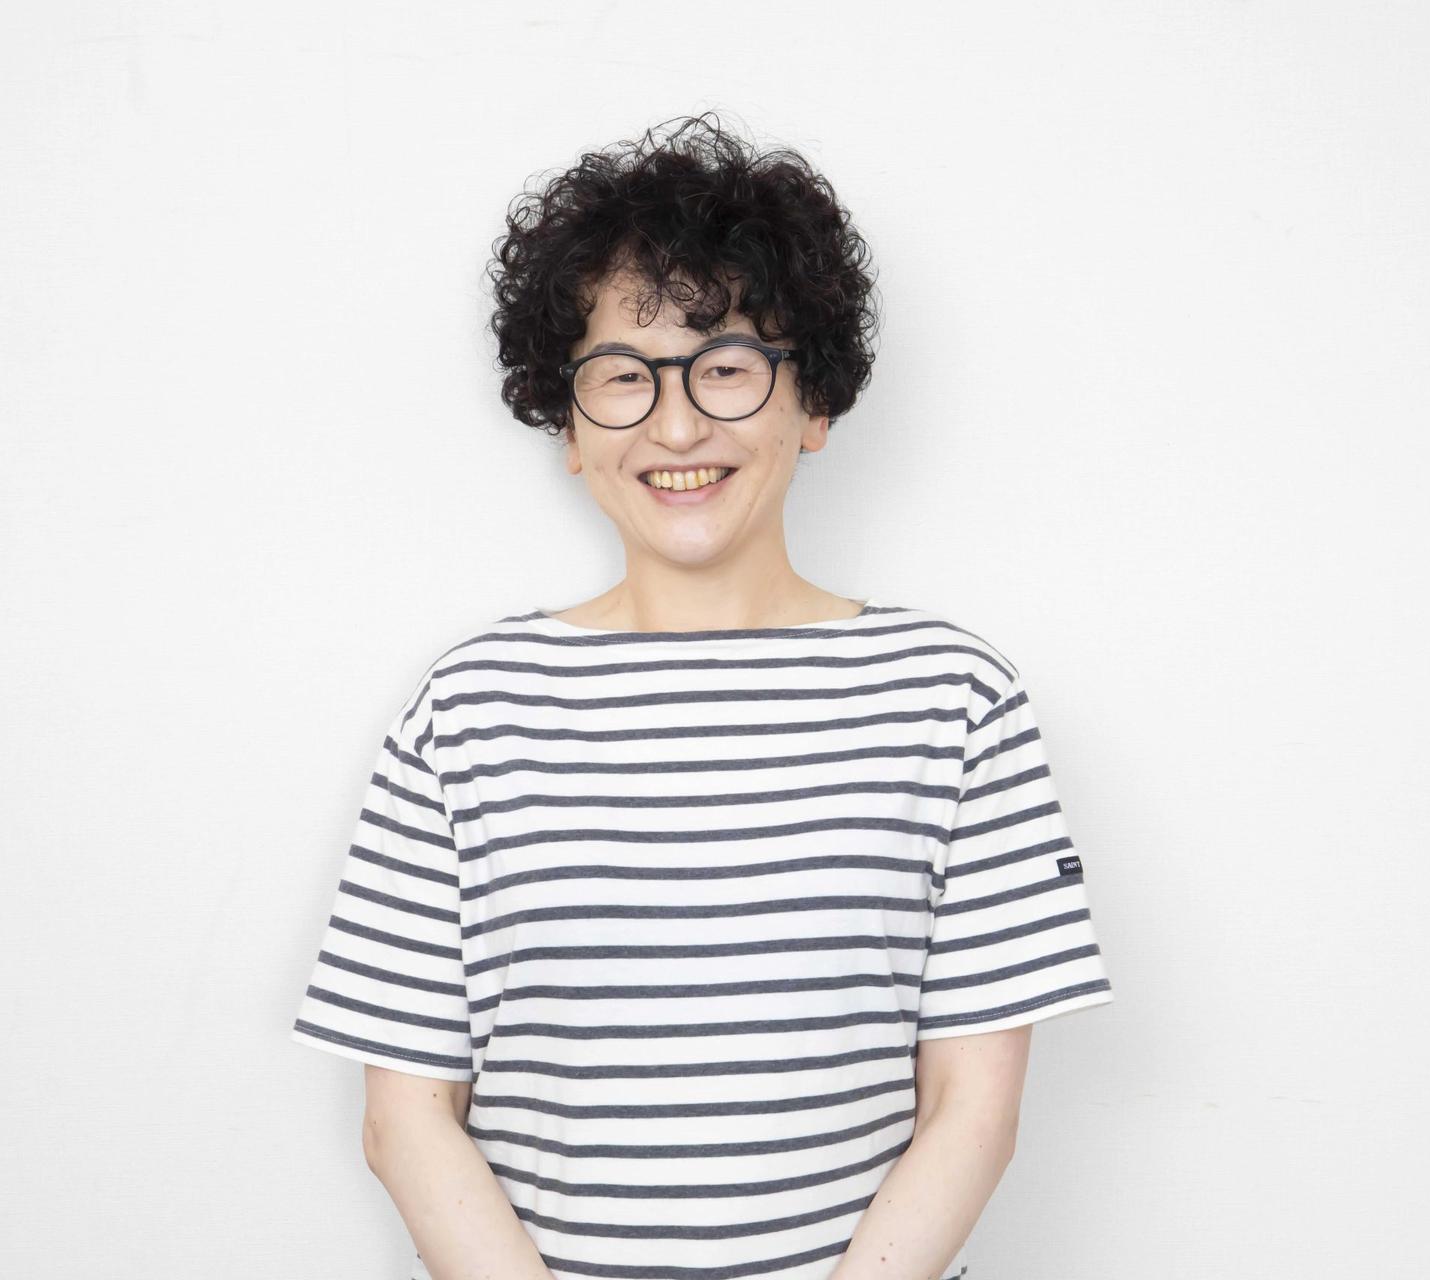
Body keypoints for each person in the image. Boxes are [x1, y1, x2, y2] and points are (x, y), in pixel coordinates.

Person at [289, 112, 1114, 1280]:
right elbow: (406, 1118)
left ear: (813, 401)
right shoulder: (465, 710)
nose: (676, 424)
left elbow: (972, 1110)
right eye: (622, 377)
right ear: (569, 425)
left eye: (726, 367)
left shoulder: (956, 700)